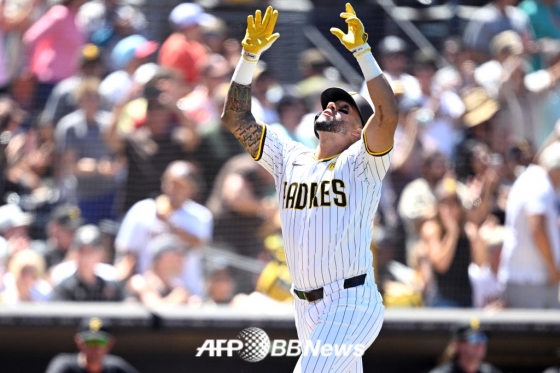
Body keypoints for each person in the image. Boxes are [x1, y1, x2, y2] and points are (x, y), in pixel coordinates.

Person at [220, 4, 398, 372]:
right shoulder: (289, 156)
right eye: (330, 103)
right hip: (305, 307)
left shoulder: (363, 161)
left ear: (357, 131)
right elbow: (235, 118)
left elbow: (388, 114)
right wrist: (249, 57)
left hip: (351, 299)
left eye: (345, 108)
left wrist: (363, 54)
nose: (332, 106)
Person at [115, 161, 212, 296]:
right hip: (149, 290)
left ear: (192, 189)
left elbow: (198, 243)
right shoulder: (142, 210)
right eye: (170, 182)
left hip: (187, 294)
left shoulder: (200, 216)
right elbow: (127, 253)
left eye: (180, 185)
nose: (173, 189)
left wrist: (170, 222)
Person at [498, 142, 560, 308]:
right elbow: (537, 227)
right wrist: (553, 269)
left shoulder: (535, 180)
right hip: (530, 282)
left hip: (532, 281)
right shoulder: (539, 184)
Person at [51, 225, 124, 302]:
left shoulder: (111, 288)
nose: (85, 258)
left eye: (90, 252)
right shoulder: (64, 289)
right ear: (75, 254)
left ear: (100, 254)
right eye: (82, 252)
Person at [45, 316, 139, 373]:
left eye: (100, 342)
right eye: (90, 341)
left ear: (110, 344)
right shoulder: (64, 365)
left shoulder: (116, 367)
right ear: (79, 342)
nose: (95, 347)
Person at [429, 319, 502, 373]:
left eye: (483, 337)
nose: (480, 343)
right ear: (458, 344)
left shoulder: (490, 371)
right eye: (474, 338)